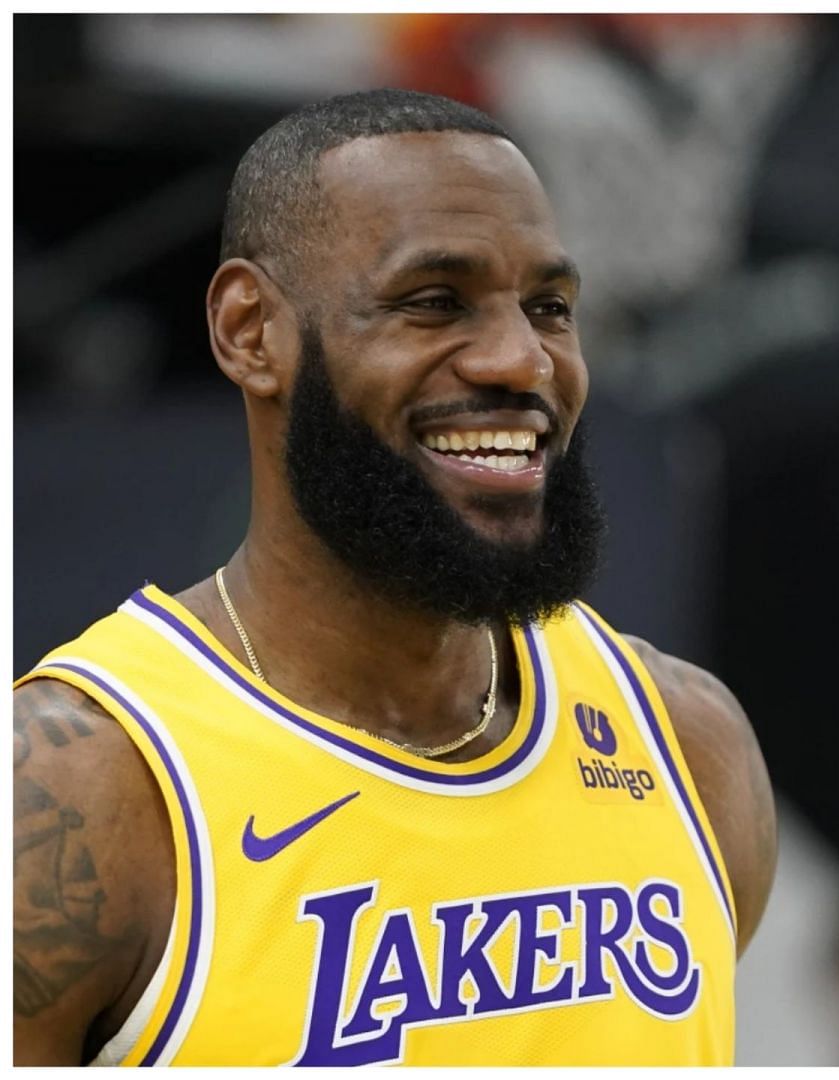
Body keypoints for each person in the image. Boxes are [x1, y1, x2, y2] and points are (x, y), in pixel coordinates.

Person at [13, 89, 775, 1066]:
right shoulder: (78, 795)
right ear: (252, 331)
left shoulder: (690, 743)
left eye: (549, 307)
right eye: (432, 301)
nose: (520, 359)